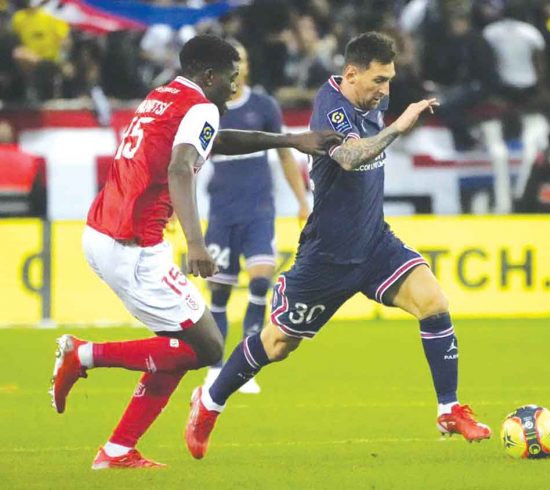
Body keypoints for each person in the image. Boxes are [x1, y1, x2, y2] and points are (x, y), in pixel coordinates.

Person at [184, 31, 491, 460]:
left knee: (434, 302)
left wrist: (393, 112)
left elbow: (374, 129)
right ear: (351, 74)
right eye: (379, 81)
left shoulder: (373, 100)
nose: (385, 91)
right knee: (277, 344)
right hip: (327, 256)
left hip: (375, 244)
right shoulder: (330, 107)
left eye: (390, 81)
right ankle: (210, 401)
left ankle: (449, 408)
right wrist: (401, 126)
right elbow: (348, 158)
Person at [49, 35, 341, 470]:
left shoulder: (164, 96)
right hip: (135, 246)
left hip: (103, 232)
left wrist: (289, 140)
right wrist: (196, 241)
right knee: (206, 346)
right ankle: (84, 354)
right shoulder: (201, 106)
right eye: (230, 78)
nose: (233, 88)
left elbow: (215, 142)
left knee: (180, 345)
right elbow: (181, 166)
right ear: (209, 75)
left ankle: (117, 451)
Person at [202, 41, 311, 395]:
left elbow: (284, 154)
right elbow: (185, 162)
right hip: (221, 210)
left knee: (262, 279)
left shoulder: (263, 105)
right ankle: (216, 367)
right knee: (219, 290)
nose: (239, 67)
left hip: (258, 209)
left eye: (243, 59)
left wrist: (302, 199)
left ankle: (243, 366)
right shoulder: (207, 110)